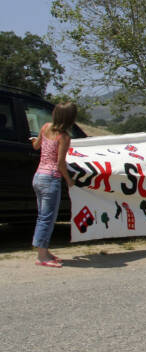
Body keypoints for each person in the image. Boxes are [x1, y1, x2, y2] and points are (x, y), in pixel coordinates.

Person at [30, 101, 78, 267]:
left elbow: (36, 146)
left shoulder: (45, 127)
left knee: (42, 216)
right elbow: (60, 163)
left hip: (38, 176)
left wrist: (34, 139)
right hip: (51, 179)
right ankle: (42, 256)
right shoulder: (64, 137)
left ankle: (44, 250)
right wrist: (69, 180)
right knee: (47, 218)